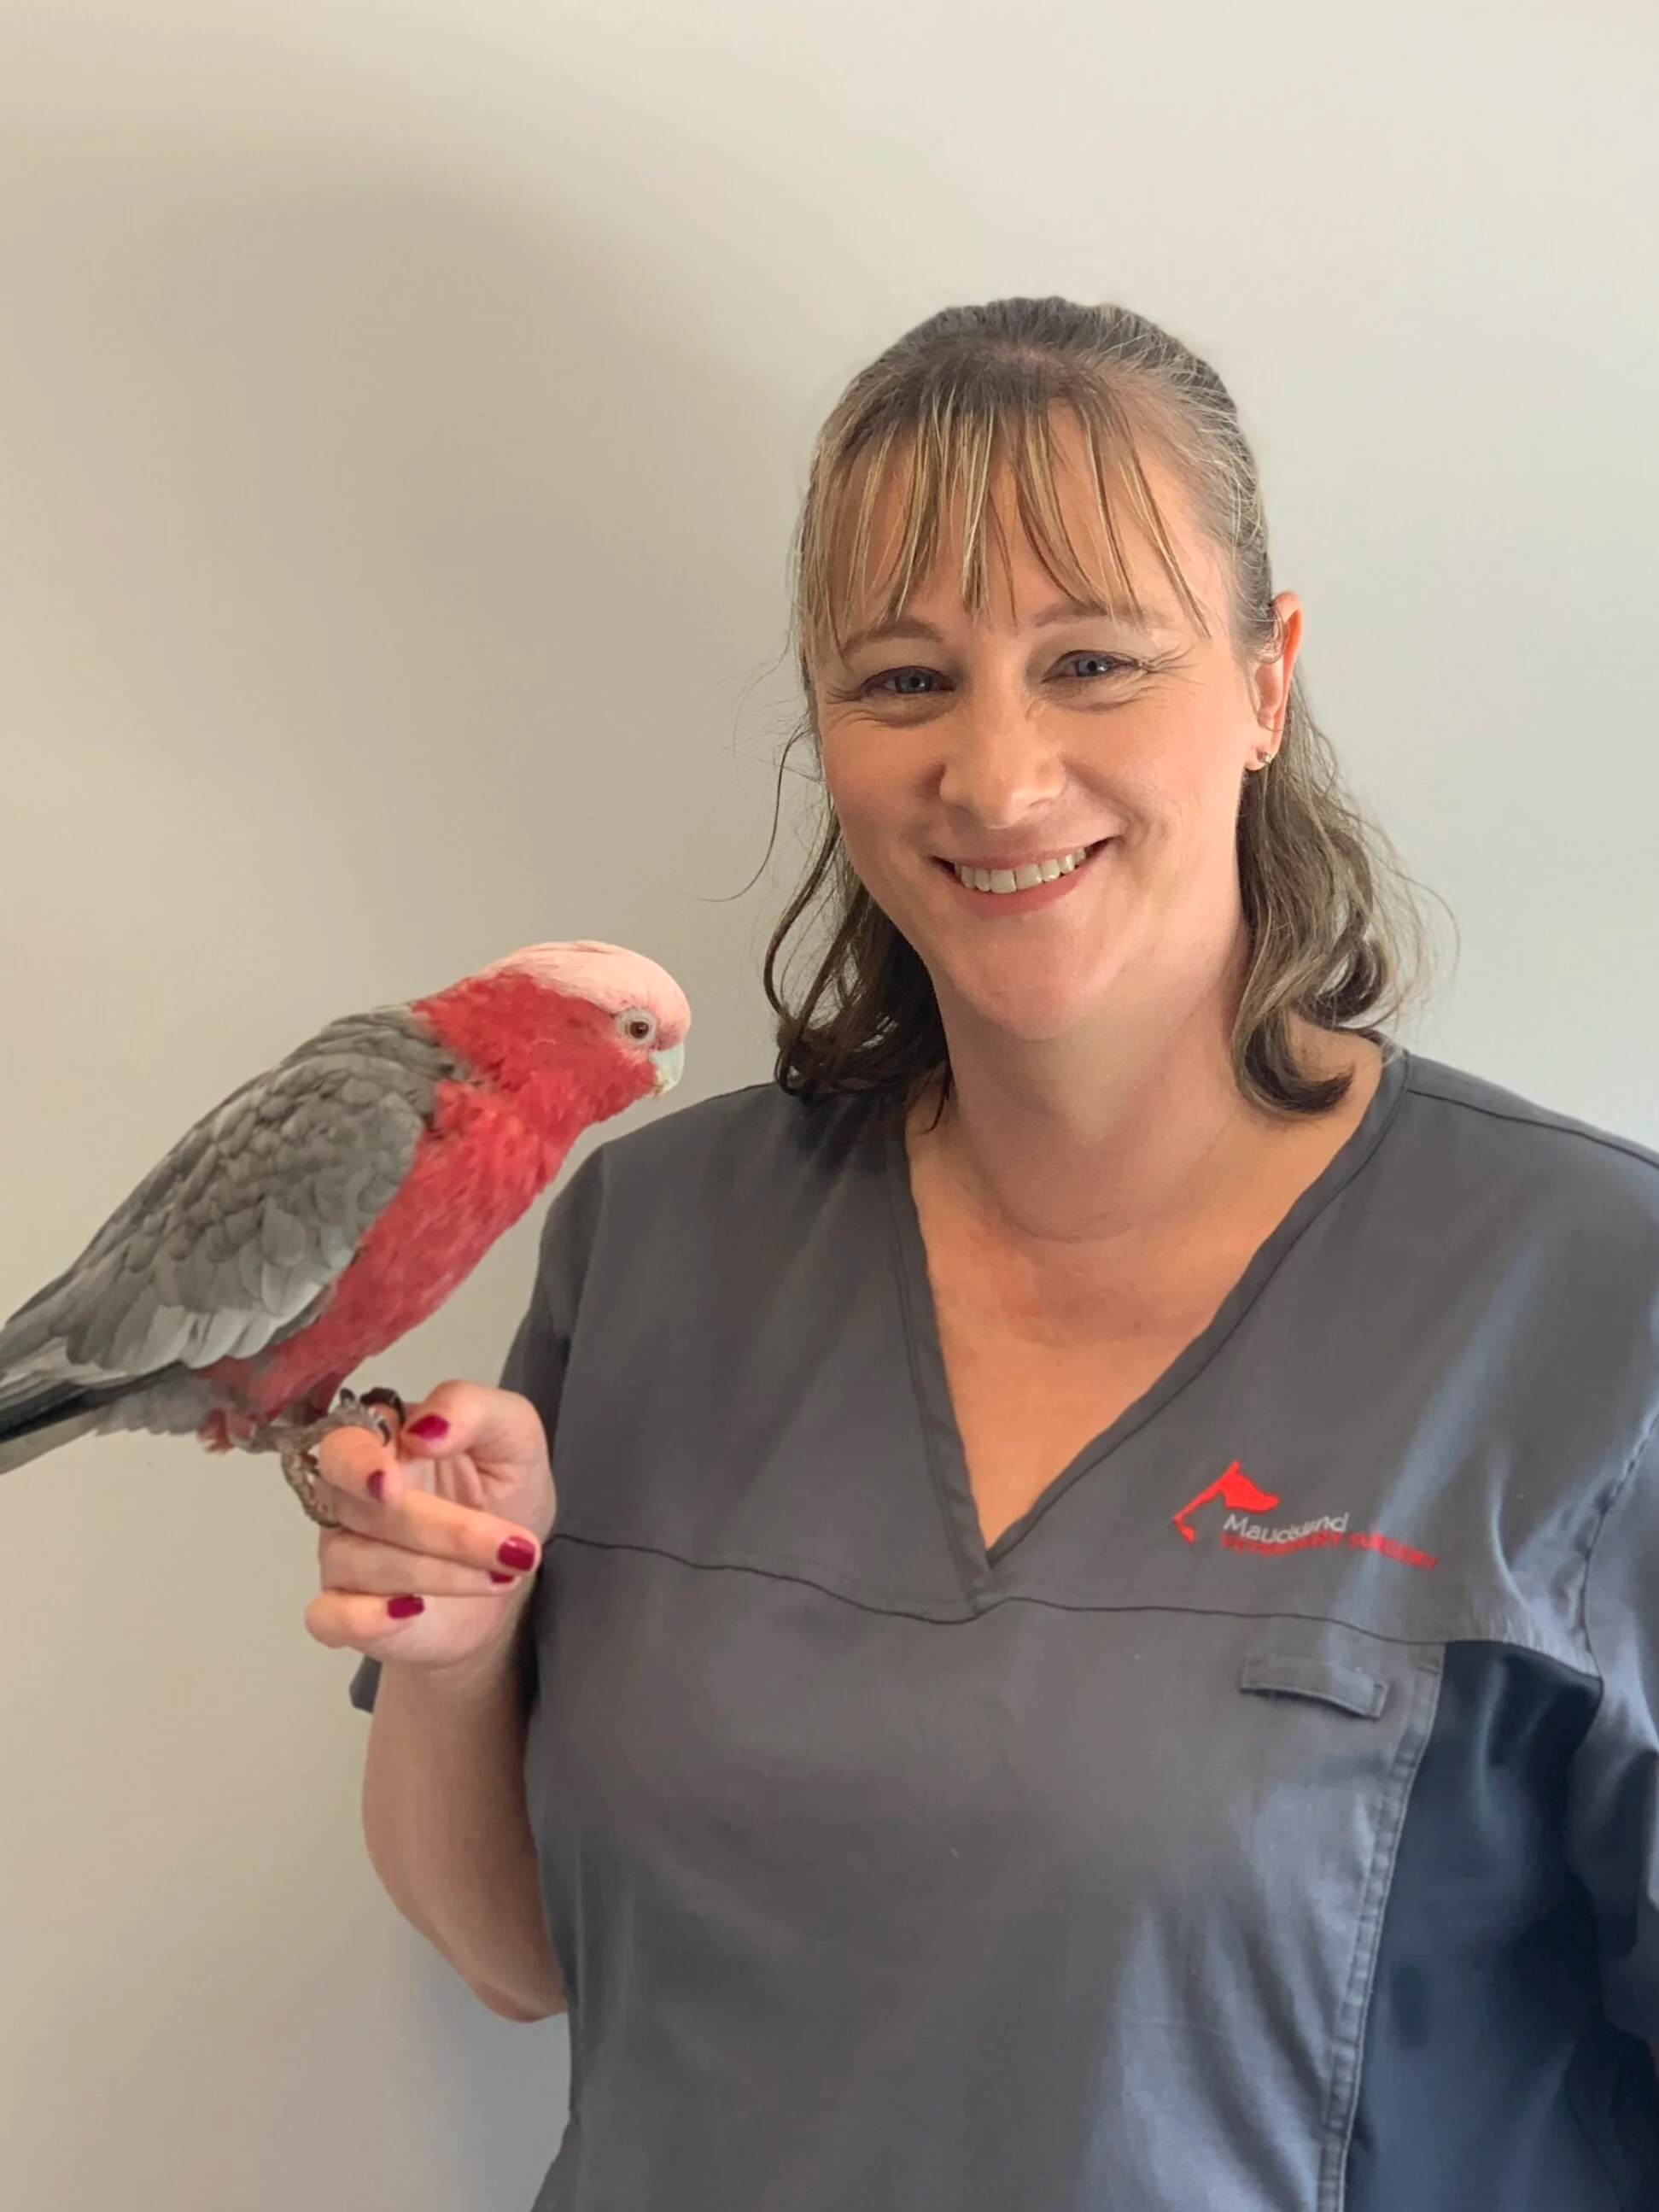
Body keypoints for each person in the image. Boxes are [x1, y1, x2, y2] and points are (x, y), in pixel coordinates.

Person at [307, 298, 1659, 2211]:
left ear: (1266, 680)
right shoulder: (653, 1240)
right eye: (904, 680)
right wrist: (454, 1654)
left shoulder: (1593, 1304)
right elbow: (522, 1957)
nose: (999, 775)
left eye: (1092, 658)